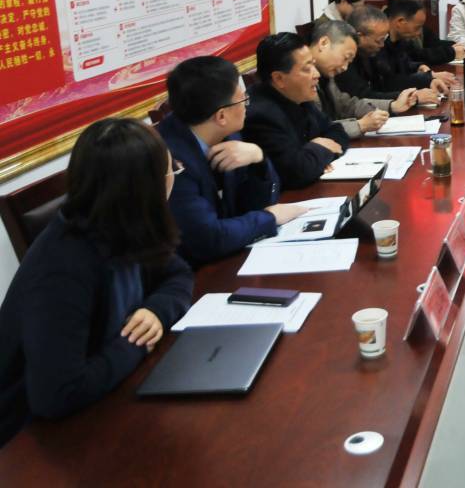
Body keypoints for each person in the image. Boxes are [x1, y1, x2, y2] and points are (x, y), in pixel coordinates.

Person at [0, 118, 193, 447]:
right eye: (171, 168)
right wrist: (136, 343)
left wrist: (156, 312)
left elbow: (178, 274)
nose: (175, 174)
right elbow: (57, 395)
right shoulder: (63, 267)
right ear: (147, 188)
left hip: (104, 393)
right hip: (28, 441)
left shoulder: (119, 221)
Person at [157, 56, 305, 265]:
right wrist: (269, 218)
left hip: (231, 255)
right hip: (196, 271)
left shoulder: (224, 132)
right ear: (221, 116)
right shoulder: (170, 161)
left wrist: (258, 159)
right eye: (243, 100)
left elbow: (255, 205)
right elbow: (209, 239)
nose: (246, 106)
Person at [243, 32, 351, 189]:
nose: (317, 74)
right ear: (279, 79)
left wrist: (314, 155)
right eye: (307, 68)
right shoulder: (260, 115)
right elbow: (297, 172)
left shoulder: (298, 96)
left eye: (314, 64)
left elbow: (337, 131)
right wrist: (320, 149)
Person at [309, 19, 424, 139]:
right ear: (324, 43)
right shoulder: (301, 76)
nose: (345, 67)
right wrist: (360, 125)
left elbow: (347, 106)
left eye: (349, 62)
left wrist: (393, 105)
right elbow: (316, 131)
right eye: (345, 58)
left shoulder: (326, 74)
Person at [337, 5, 453, 100]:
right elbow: (364, 96)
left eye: (384, 39)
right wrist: (413, 97)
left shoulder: (369, 52)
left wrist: (426, 79)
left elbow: (387, 82)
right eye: (378, 40)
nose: (382, 45)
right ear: (359, 37)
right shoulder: (343, 62)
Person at [382, 0, 464, 68]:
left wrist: (422, 70)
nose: (419, 33)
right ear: (401, 22)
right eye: (417, 28)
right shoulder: (380, 44)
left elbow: (409, 63)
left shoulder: (401, 41)